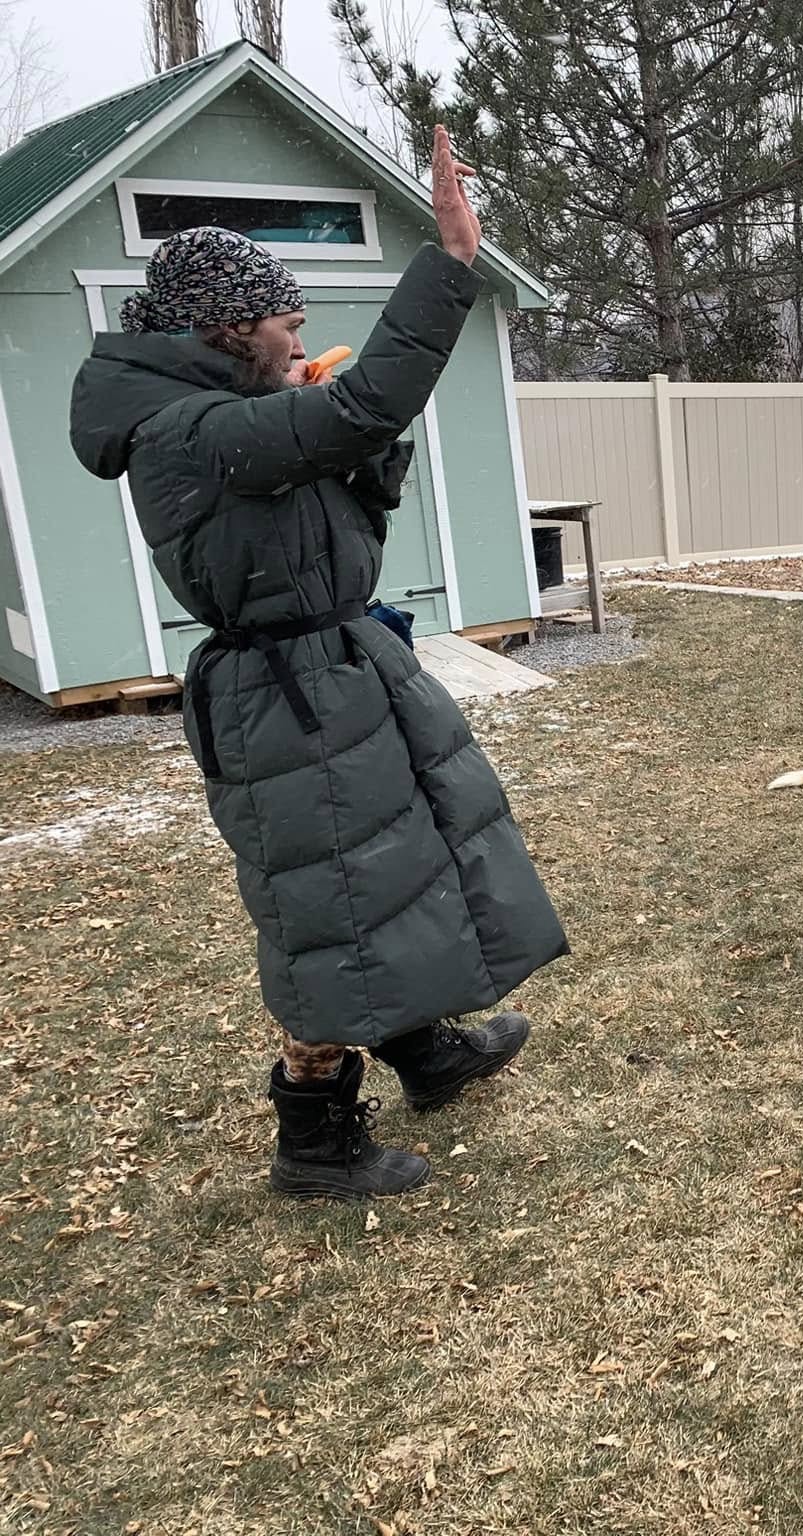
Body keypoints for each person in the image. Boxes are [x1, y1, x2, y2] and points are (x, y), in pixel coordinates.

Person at [69, 128, 568, 1201]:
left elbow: (344, 509)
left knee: (398, 864)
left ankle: (424, 1051)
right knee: (328, 902)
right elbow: (361, 407)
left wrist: (346, 443)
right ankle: (314, 1140)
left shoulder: (239, 416)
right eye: (288, 323)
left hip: (340, 664)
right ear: (231, 325)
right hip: (281, 696)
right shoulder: (186, 431)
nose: (302, 337)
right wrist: (449, 262)